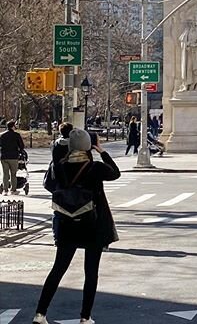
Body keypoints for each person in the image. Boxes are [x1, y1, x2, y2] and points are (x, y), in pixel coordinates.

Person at [34, 129, 120, 324]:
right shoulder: (95, 167)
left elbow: (49, 185)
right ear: (88, 146)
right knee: (90, 273)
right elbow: (115, 173)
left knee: (58, 269)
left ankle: (40, 314)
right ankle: (85, 316)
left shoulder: (60, 166)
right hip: (92, 224)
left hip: (66, 223)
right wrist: (102, 151)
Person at [0, 120, 26, 195]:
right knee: (13, 174)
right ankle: (13, 189)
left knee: (5, 174)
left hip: (4, 156)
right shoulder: (16, 135)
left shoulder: (1, 135)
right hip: (13, 156)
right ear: (12, 126)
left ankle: (5, 190)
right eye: (15, 125)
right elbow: (21, 146)